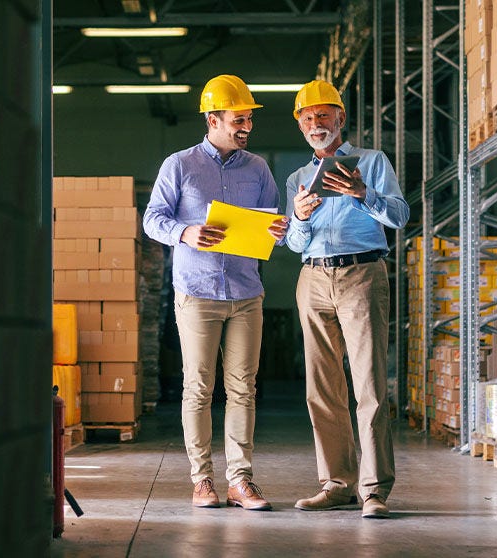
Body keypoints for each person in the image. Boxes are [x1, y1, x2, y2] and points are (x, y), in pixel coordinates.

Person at [143, 75, 288, 511]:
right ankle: (202, 479)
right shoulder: (180, 165)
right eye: (238, 120)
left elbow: (275, 231)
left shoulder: (258, 168)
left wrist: (281, 230)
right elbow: (152, 219)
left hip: (246, 291)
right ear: (213, 119)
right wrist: (185, 231)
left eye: (248, 121)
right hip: (198, 291)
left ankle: (240, 480)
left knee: (243, 388)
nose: (246, 128)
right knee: (199, 387)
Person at [284, 79, 409, 519]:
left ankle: (373, 490)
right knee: (321, 389)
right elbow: (296, 244)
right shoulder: (298, 178)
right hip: (313, 278)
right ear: (300, 126)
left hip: (361, 273)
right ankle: (337, 483)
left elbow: (399, 214)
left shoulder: (372, 162)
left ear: (340, 118)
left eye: (324, 115)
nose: (316, 123)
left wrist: (362, 193)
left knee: (369, 386)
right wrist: (299, 218)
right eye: (307, 117)